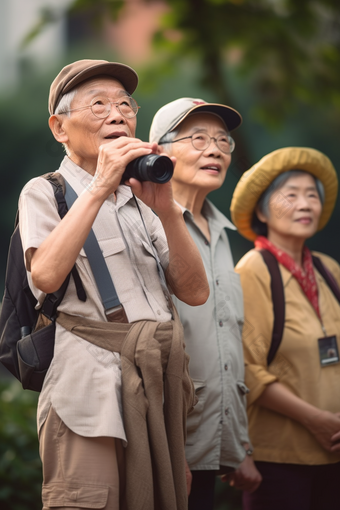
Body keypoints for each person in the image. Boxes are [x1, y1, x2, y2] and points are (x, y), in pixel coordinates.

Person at [18, 60, 210, 510]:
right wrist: (100, 187)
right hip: (90, 398)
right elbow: (44, 276)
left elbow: (195, 292)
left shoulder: (147, 196)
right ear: (59, 128)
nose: (118, 114)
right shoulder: (47, 191)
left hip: (156, 396)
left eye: (126, 105)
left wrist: (166, 210)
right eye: (99, 104)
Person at [149, 98, 262, 510]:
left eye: (222, 140)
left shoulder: (222, 232)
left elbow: (226, 339)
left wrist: (239, 444)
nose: (214, 149)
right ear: (159, 150)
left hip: (214, 439)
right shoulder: (146, 226)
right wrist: (166, 451)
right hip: (169, 443)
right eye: (197, 138)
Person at [230, 147, 340, 510]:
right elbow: (247, 369)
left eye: (312, 195)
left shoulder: (328, 269)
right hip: (280, 458)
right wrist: (318, 421)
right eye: (291, 195)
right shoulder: (253, 270)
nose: (305, 204)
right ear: (262, 210)